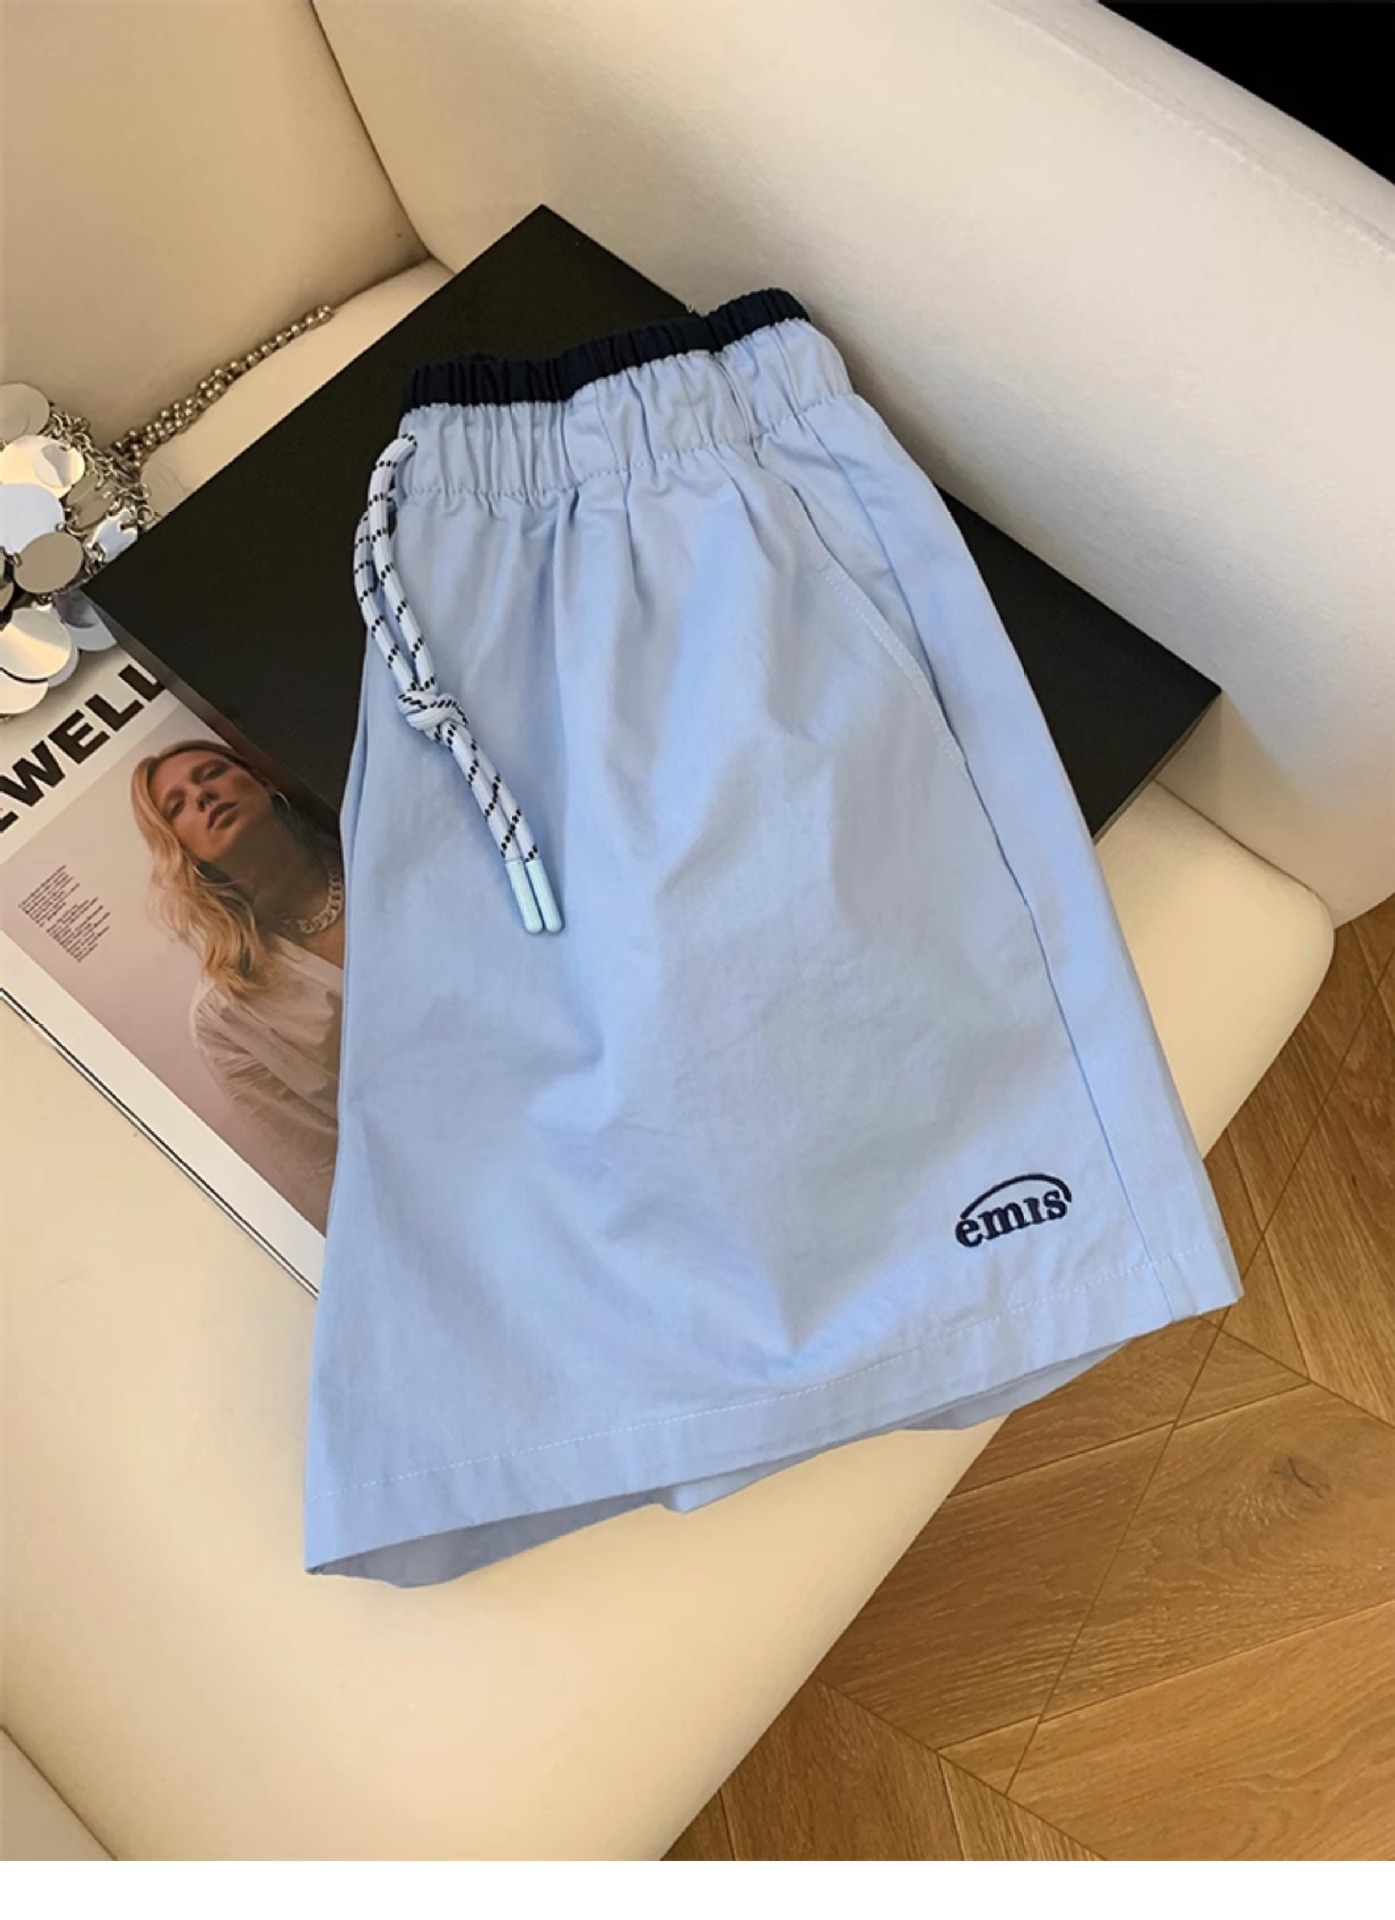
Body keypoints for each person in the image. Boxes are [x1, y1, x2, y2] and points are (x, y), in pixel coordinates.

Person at [129, 737, 343, 1232]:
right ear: (180, 848)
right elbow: (321, 1168)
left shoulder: (371, 852)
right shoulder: (225, 1015)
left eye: (211, 775)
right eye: (177, 806)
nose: (202, 797)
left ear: (262, 782)